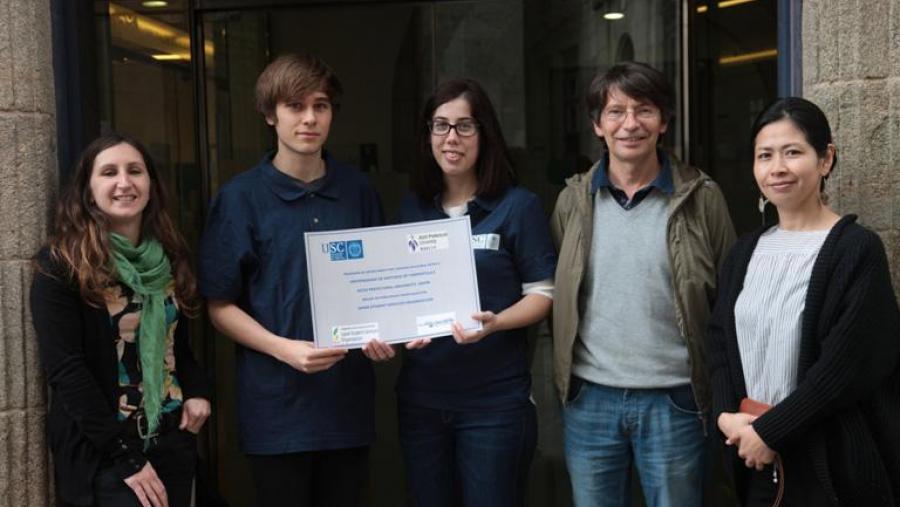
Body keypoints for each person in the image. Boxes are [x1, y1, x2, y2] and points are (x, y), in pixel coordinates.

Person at [198, 53, 387, 507]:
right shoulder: (240, 198)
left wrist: (385, 334)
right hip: (276, 410)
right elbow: (219, 306)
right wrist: (284, 349)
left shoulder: (357, 190)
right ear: (270, 115)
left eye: (320, 106)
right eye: (294, 106)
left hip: (346, 407)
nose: (309, 118)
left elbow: (379, 285)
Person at [550, 61, 736, 507]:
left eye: (644, 109)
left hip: (676, 401)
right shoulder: (573, 200)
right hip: (590, 399)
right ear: (597, 125)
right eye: (616, 111)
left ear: (664, 121)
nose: (630, 124)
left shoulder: (702, 197)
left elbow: (732, 300)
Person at [708, 97, 900, 506]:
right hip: (753, 455)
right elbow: (720, 342)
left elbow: (846, 368)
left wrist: (771, 432)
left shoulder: (855, 249)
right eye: (765, 156)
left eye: (793, 152)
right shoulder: (744, 252)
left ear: (825, 159)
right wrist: (725, 414)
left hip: (827, 459)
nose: (777, 167)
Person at [388, 78, 556, 507]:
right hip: (422, 401)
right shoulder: (412, 209)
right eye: (440, 125)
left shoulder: (517, 207)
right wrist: (389, 331)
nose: (451, 138)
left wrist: (496, 322)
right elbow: (401, 296)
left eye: (465, 126)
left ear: (485, 135)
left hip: (493, 404)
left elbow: (542, 293)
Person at [31, 134, 212, 507]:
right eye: (109, 172)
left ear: (150, 185)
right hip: (106, 455)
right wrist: (125, 458)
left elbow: (176, 344)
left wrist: (197, 391)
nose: (124, 183)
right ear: (88, 190)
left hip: (171, 439)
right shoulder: (61, 266)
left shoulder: (168, 258)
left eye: (135, 171)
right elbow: (67, 372)